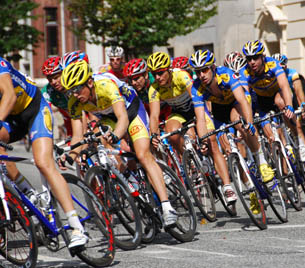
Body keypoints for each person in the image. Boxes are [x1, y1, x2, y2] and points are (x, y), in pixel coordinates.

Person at [60, 60, 178, 226]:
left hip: (130, 110)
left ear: (89, 82)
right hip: (108, 117)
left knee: (142, 154)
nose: (75, 94)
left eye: (77, 88)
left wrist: (116, 136)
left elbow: (123, 118)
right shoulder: (75, 102)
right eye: (71, 91)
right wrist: (71, 156)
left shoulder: (106, 85)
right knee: (99, 140)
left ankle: (167, 207)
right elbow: (78, 136)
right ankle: (128, 181)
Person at [0, 56, 88, 248]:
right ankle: (29, 193)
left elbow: (9, 96)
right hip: (11, 119)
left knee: (43, 163)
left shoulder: (0, 65)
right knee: (2, 158)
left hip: (34, 110)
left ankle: (76, 228)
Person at [189, 49, 273, 204]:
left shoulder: (226, 74)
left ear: (213, 68)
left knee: (241, 124)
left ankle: (262, 162)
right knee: (228, 149)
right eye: (198, 72)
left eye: (205, 70)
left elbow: (242, 100)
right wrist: (203, 140)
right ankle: (244, 188)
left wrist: (249, 122)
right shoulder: (197, 87)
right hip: (219, 110)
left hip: (236, 102)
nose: (202, 75)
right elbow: (200, 118)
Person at [239, 40, 295, 150]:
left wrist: (289, 106)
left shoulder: (273, 64)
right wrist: (248, 120)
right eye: (249, 59)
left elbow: (284, 85)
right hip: (262, 100)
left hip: (277, 94)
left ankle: (299, 140)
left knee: (281, 103)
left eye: (255, 57)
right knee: (272, 139)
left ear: (263, 57)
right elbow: (246, 97)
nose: (252, 62)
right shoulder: (244, 72)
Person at [147, 52, 195, 156]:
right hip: (179, 113)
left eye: (160, 73)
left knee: (203, 138)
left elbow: (196, 98)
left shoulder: (181, 75)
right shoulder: (154, 88)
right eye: (154, 74)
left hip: (195, 108)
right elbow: (154, 115)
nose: (157, 77)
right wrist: (154, 134)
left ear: (169, 69)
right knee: (171, 135)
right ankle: (188, 158)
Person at [271, 53, 305, 162]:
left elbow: (298, 91)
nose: (281, 68)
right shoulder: (271, 75)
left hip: (291, 100)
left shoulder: (292, 73)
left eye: (283, 66)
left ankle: (302, 147)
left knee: (297, 125)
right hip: (277, 102)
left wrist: (303, 103)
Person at [41, 56, 72, 137]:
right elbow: (43, 111)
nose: (53, 82)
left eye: (56, 77)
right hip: (69, 119)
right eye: (50, 80)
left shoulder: (74, 84)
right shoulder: (47, 91)